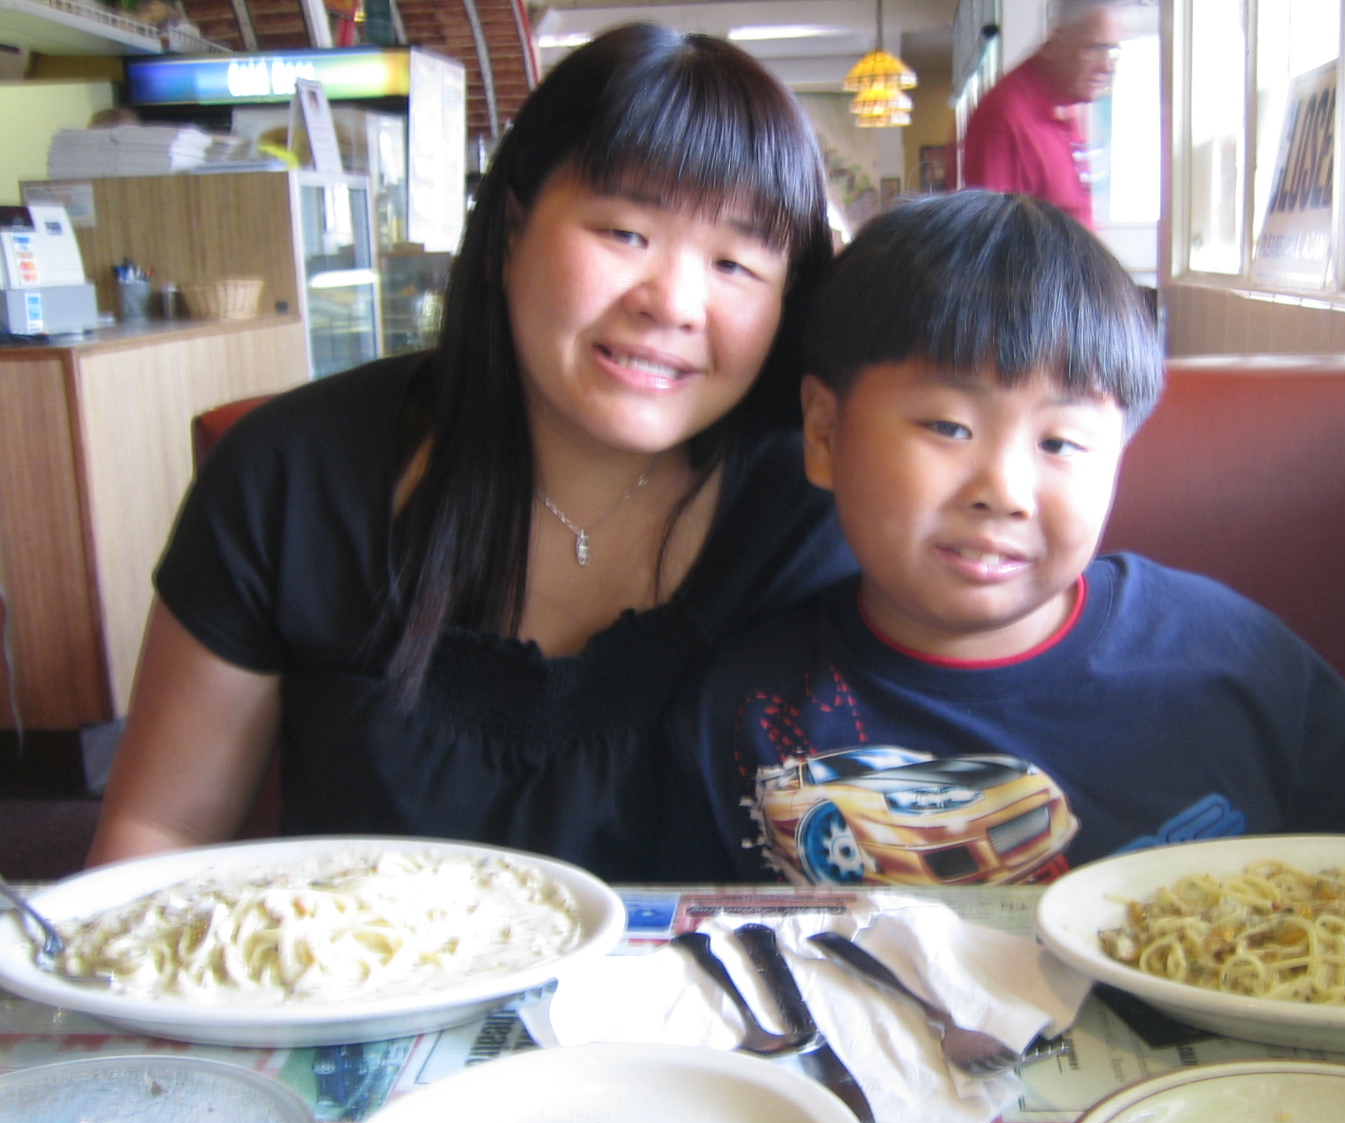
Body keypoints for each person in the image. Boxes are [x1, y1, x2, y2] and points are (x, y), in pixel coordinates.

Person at [86, 24, 854, 880]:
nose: (673, 302)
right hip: (361, 967)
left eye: (736, 264)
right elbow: (161, 833)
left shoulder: (819, 510)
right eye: (625, 231)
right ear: (510, 229)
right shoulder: (292, 477)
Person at [664, 190, 1345, 885]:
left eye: (1062, 443)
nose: (1004, 490)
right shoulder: (748, 707)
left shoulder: (1225, 652)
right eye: (948, 426)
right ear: (825, 434)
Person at [960, 0, 1121, 226]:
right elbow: (992, 236)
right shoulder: (1004, 117)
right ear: (1056, 43)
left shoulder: (1064, 104)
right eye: (1094, 49)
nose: (1106, 67)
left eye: (1113, 50)